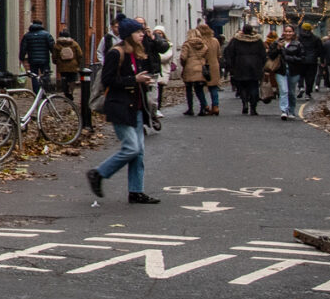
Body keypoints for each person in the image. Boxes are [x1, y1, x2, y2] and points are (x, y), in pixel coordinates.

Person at [87, 26, 160, 205]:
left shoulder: (138, 53)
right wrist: (133, 80)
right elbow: (107, 80)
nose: (142, 35)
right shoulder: (116, 53)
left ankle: (136, 191)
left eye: (142, 32)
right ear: (128, 36)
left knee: (139, 152)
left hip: (136, 106)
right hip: (119, 107)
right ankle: (98, 173)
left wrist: (144, 80)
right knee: (131, 148)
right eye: (138, 32)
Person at [51, 27, 89, 132]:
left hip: (62, 66)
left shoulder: (57, 44)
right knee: (72, 80)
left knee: (64, 79)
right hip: (73, 66)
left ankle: (66, 92)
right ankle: (71, 91)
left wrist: (56, 62)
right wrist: (77, 62)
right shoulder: (74, 43)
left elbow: (54, 56)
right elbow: (80, 54)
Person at [177, 24, 219, 118]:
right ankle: (215, 106)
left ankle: (204, 105)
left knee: (197, 88)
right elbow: (218, 54)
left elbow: (184, 57)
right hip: (212, 66)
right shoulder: (213, 41)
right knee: (213, 88)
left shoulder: (193, 43)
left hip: (199, 67)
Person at [281, 24, 322, 118]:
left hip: (299, 62)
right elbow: (320, 49)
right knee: (310, 77)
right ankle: (307, 92)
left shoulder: (299, 39)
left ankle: (301, 87)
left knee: (301, 76)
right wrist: (320, 58)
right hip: (311, 60)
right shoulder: (315, 38)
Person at [226, 23, 267, 116]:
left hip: (240, 66)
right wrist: (262, 65)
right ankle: (253, 108)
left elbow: (229, 53)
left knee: (242, 86)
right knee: (254, 86)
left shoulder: (236, 40)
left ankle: (244, 103)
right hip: (255, 66)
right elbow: (263, 54)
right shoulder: (258, 40)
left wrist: (231, 66)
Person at [19, 19, 56, 92]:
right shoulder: (46, 35)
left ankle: (36, 92)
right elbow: (52, 47)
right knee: (45, 75)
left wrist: (22, 58)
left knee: (34, 76)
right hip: (44, 59)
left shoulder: (27, 35)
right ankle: (45, 91)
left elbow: (23, 48)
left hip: (32, 59)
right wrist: (54, 56)